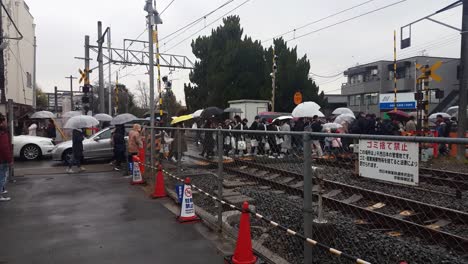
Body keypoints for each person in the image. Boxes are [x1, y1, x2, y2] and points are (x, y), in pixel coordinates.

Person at [0, 114, 12, 201]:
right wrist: (9, 159)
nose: (6, 123)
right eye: (5, 121)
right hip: (2, 159)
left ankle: (2, 189)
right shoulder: (3, 132)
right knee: (2, 176)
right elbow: (5, 147)